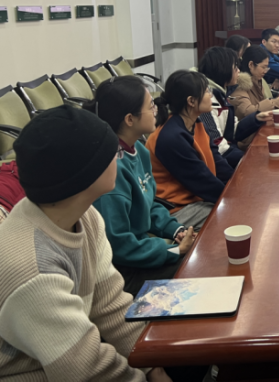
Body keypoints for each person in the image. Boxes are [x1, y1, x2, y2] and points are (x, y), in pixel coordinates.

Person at [0, 106, 172, 381]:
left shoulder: (85, 216)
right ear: (85, 175)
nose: (119, 158)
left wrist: (153, 365)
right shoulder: (34, 272)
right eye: (114, 153)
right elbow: (86, 371)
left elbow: (111, 306)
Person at [83, 76, 198, 298]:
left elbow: (149, 203)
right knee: (197, 268)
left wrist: (175, 230)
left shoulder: (139, 151)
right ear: (130, 119)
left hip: (143, 251)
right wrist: (172, 250)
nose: (156, 110)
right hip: (123, 273)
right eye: (150, 106)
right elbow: (118, 245)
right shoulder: (111, 171)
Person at [146, 70, 233, 229]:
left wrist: (237, 184)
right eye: (206, 91)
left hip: (195, 199)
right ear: (191, 101)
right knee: (231, 212)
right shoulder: (170, 137)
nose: (210, 95)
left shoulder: (197, 123)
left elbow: (216, 160)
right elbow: (202, 181)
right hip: (173, 209)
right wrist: (234, 197)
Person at [198, 47, 271, 167]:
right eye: (235, 67)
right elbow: (219, 147)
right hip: (218, 164)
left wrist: (256, 118)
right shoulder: (206, 100)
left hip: (227, 155)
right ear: (223, 70)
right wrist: (249, 161)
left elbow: (232, 129)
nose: (239, 71)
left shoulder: (221, 94)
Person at [231, 46, 279, 148]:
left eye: (267, 67)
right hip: (248, 138)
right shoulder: (240, 84)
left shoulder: (257, 80)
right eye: (263, 67)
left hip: (257, 130)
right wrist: (276, 102)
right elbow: (247, 112)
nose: (265, 71)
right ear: (251, 64)